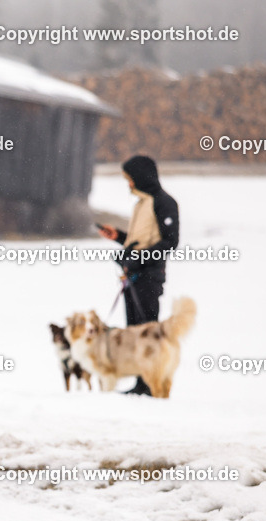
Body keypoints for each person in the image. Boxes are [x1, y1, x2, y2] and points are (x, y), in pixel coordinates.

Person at [97, 155, 179, 396]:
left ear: (142, 177)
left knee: (148, 334)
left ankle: (152, 385)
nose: (129, 184)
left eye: (130, 178)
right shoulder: (141, 203)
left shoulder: (164, 203)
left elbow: (170, 242)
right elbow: (141, 241)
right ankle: (141, 383)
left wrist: (139, 260)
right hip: (133, 275)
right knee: (134, 332)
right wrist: (119, 237)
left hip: (149, 277)